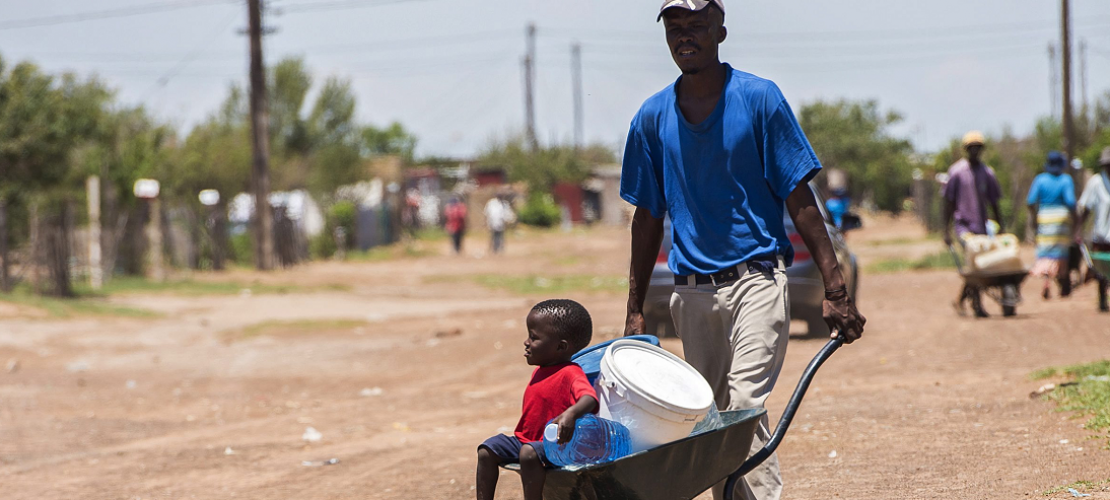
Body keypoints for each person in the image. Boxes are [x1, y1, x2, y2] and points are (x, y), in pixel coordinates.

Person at [620, 2, 865, 499]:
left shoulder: (759, 99)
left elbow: (800, 198)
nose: (685, 35)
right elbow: (646, 218)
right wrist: (634, 309)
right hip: (691, 296)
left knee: (744, 406)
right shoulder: (651, 117)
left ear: (720, 31)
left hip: (756, 282)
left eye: (697, 25)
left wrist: (835, 286)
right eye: (675, 26)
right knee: (708, 419)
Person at [475, 299, 599, 500]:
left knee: (528, 454)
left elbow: (589, 398)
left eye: (534, 337)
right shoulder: (540, 372)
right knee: (487, 449)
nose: (526, 342)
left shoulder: (570, 373)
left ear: (561, 347)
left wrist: (571, 414)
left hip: (556, 445)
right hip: (526, 440)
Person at [942, 131, 1004, 318]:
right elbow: (948, 202)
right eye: (971, 148)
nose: (975, 151)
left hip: (982, 226)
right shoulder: (957, 172)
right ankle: (977, 305)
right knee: (974, 262)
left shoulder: (987, 173)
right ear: (966, 150)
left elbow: (994, 201)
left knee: (978, 266)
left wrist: (1001, 225)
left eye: (978, 148)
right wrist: (945, 230)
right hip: (963, 226)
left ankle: (961, 300)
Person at [1026, 151, 1077, 300]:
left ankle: (1047, 281)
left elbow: (1030, 202)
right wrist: (1075, 218)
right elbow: (1070, 202)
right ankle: (1063, 284)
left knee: (1046, 252)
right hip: (1062, 219)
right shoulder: (1066, 180)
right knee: (1061, 254)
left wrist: (1035, 217)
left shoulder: (1040, 180)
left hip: (1044, 218)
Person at [1075, 147, 1110, 312]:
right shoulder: (1096, 182)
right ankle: (1102, 299)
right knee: (1102, 271)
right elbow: (1086, 208)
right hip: (1101, 235)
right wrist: (1079, 230)